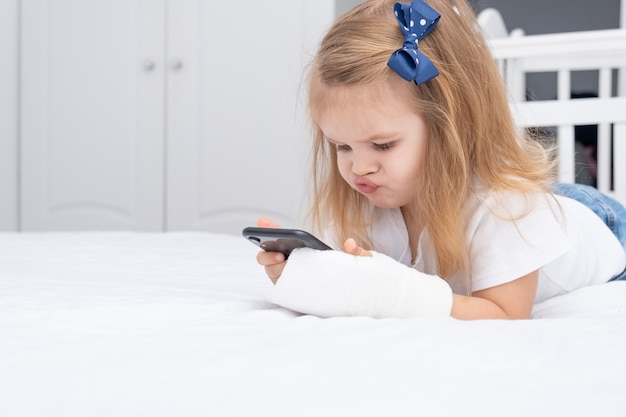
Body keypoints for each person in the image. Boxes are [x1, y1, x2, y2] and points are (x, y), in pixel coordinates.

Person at [254, 0, 626, 320]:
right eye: (341, 146)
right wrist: (303, 276)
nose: (359, 167)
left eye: (382, 145)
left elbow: (504, 314)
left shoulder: (508, 210)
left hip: (602, 222)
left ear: (453, 128)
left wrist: (394, 292)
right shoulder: (368, 198)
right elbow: (354, 282)